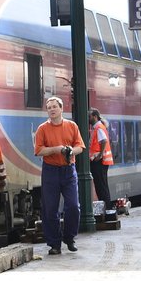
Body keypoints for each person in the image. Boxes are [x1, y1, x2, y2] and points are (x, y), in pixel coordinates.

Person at [34, 96, 85, 255]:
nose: (52, 110)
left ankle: (69, 238)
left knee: (73, 206)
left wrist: (70, 151)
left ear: (61, 109)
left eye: (55, 107)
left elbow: (80, 147)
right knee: (50, 209)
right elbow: (39, 151)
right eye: (49, 107)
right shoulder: (42, 129)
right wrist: (57, 149)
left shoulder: (72, 126)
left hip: (69, 170)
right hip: (50, 170)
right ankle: (54, 244)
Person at [89, 108, 114, 211]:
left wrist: (99, 155)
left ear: (95, 116)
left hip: (99, 161)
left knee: (101, 186)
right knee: (102, 185)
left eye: (89, 116)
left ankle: (107, 209)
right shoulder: (98, 127)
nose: (88, 119)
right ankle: (107, 208)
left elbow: (103, 141)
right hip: (101, 161)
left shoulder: (98, 128)